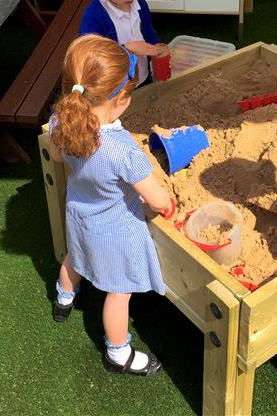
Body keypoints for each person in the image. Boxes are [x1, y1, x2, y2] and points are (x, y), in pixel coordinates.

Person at [48, 34, 176, 377]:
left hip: (78, 214)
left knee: (74, 256)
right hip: (114, 233)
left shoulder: (60, 121)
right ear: (120, 100)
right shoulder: (123, 150)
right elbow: (155, 198)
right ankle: (119, 354)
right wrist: (168, 204)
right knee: (119, 294)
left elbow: (58, 155)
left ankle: (63, 298)